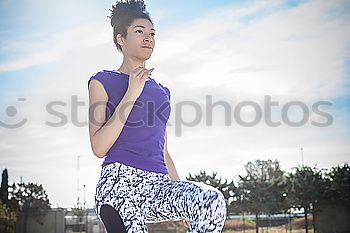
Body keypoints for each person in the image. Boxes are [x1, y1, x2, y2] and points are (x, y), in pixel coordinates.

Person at [87, 0, 227, 232]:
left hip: (158, 185)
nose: (148, 38)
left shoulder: (162, 92)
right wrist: (132, 92)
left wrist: (182, 197)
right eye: (139, 32)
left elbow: (161, 147)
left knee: (210, 201)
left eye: (152, 33)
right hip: (120, 186)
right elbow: (98, 146)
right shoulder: (102, 81)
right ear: (121, 39)